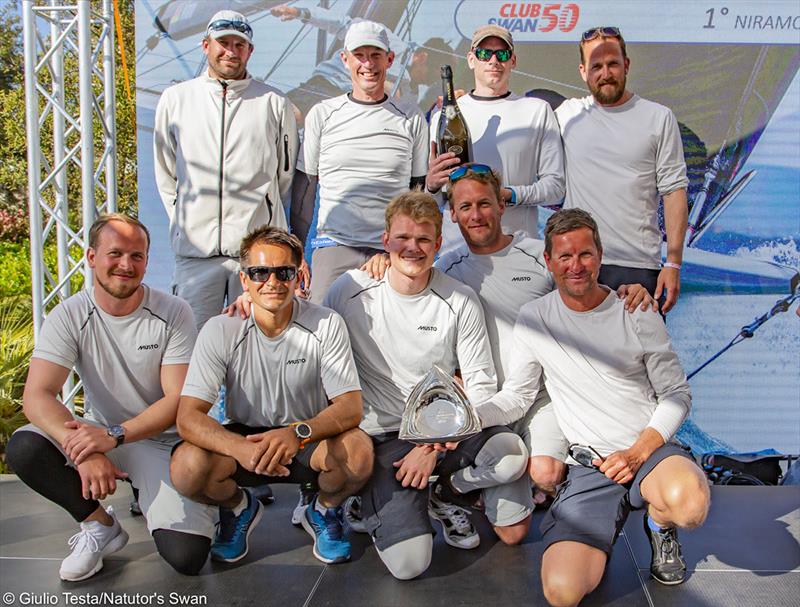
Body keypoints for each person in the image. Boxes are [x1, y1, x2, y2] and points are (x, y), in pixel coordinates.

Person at [363, 165, 655, 503]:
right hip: (485, 401)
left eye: (484, 204)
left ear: (502, 205)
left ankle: (467, 488)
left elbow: (580, 285)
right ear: (453, 215)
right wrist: (380, 263)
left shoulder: (536, 255)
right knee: (512, 519)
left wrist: (628, 291)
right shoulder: (444, 268)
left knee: (546, 474)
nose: (476, 215)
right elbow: (407, 273)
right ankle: (460, 487)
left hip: (540, 398)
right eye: (465, 207)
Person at [476, 209, 710, 605]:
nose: (576, 266)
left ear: (600, 255)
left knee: (689, 507)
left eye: (585, 254)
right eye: (565, 257)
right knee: (562, 593)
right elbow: (517, 397)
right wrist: (466, 418)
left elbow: (676, 394)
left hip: (647, 451)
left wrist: (638, 453)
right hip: (590, 468)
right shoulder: (534, 319)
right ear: (549, 262)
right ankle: (600, 527)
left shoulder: (637, 309)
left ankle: (659, 525)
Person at [324, 191, 533, 580]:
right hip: (382, 437)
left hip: (443, 430)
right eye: (402, 238)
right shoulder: (348, 292)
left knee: (511, 454)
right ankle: (370, 497)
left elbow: (482, 388)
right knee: (410, 566)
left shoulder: (459, 300)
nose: (412, 248)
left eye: (423, 240)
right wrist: (248, 304)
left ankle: (446, 493)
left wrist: (432, 445)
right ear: (385, 241)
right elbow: (313, 346)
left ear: (438, 244)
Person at [6, 214, 216, 580]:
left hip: (160, 442)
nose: (126, 265)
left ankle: (195, 499)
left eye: (137, 256)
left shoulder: (173, 312)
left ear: (147, 261)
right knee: (25, 446)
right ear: (91, 257)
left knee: (188, 557)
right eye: (115, 253)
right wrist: (83, 448)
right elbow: (37, 396)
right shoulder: (69, 314)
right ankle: (99, 526)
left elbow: (177, 400)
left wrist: (113, 436)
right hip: (102, 435)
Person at [169, 226, 373, 566]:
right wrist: (239, 448)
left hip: (307, 438)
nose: (272, 281)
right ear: (245, 280)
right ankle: (237, 507)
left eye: (284, 272)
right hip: (246, 438)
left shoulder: (326, 323)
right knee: (186, 468)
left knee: (359, 454)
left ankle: (322, 509)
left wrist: (298, 433)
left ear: (298, 275)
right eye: (260, 272)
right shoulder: (221, 329)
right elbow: (188, 417)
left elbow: (351, 407)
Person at [154, 9, 299, 330]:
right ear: (206, 45)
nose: (230, 51)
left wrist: (263, 220)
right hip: (195, 257)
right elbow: (166, 174)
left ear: (250, 51)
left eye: (239, 44)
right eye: (223, 43)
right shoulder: (175, 99)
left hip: (255, 260)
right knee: (190, 355)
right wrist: (184, 222)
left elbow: (283, 177)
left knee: (256, 356)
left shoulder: (274, 102)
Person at [290, 20, 428, 304]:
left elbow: (418, 194)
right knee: (322, 338)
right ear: (345, 60)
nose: (368, 64)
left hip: (390, 254)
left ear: (389, 60)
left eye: (376, 55)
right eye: (360, 55)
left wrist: (401, 250)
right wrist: (295, 257)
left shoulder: (411, 116)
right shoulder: (322, 114)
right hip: (333, 248)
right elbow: (305, 190)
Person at [555, 26, 689, 313]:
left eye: (613, 64)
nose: (606, 73)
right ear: (583, 71)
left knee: (639, 357)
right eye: (596, 66)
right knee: (576, 358)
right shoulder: (566, 115)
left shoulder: (658, 117)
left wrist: (674, 264)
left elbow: (674, 191)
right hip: (579, 265)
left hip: (638, 267)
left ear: (626, 65)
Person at [426, 24, 564, 250]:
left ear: (513, 61)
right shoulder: (444, 115)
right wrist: (431, 186)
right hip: (458, 252)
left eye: (502, 54)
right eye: (484, 54)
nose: (493, 60)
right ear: (471, 59)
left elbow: (556, 187)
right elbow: (435, 198)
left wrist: (507, 195)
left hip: (520, 248)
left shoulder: (537, 110)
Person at [269, 3, 454, 119]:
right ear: (422, 57)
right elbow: (343, 24)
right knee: (293, 117)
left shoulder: (410, 97)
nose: (431, 81)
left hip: (352, 116)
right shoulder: (389, 40)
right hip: (330, 87)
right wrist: (301, 12)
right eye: (432, 74)